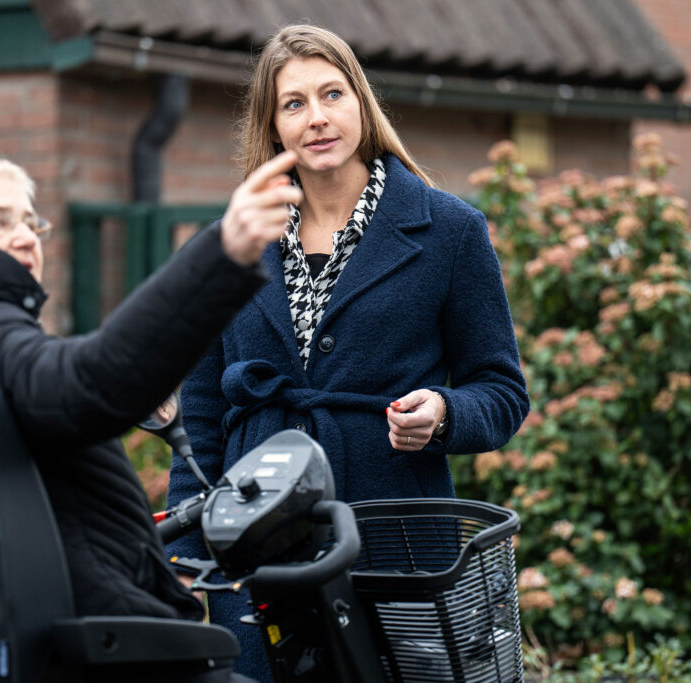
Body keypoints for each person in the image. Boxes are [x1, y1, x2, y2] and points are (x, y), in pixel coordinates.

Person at [0, 152, 301, 649]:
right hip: (104, 649)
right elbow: (93, 385)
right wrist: (222, 254)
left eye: (30, 221)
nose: (25, 236)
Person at [165, 24, 530, 680]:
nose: (317, 117)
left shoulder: (449, 231)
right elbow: (199, 414)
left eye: (332, 94)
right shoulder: (233, 240)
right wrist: (193, 563)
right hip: (255, 544)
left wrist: (444, 413)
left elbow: (501, 389)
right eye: (294, 103)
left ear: (361, 101)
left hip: (394, 536)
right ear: (273, 125)